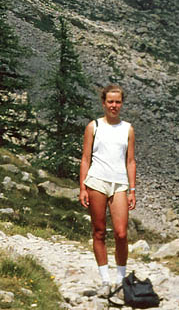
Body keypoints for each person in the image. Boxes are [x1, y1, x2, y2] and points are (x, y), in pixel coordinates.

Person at [79, 84, 136, 296]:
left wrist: (132, 189)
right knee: (99, 231)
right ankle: (105, 281)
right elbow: (85, 158)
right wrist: (83, 187)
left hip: (119, 183)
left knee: (121, 233)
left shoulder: (127, 129)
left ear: (122, 104)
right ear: (103, 103)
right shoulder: (93, 126)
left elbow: (130, 161)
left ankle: (121, 281)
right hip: (96, 181)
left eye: (118, 102)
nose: (114, 105)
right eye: (110, 101)